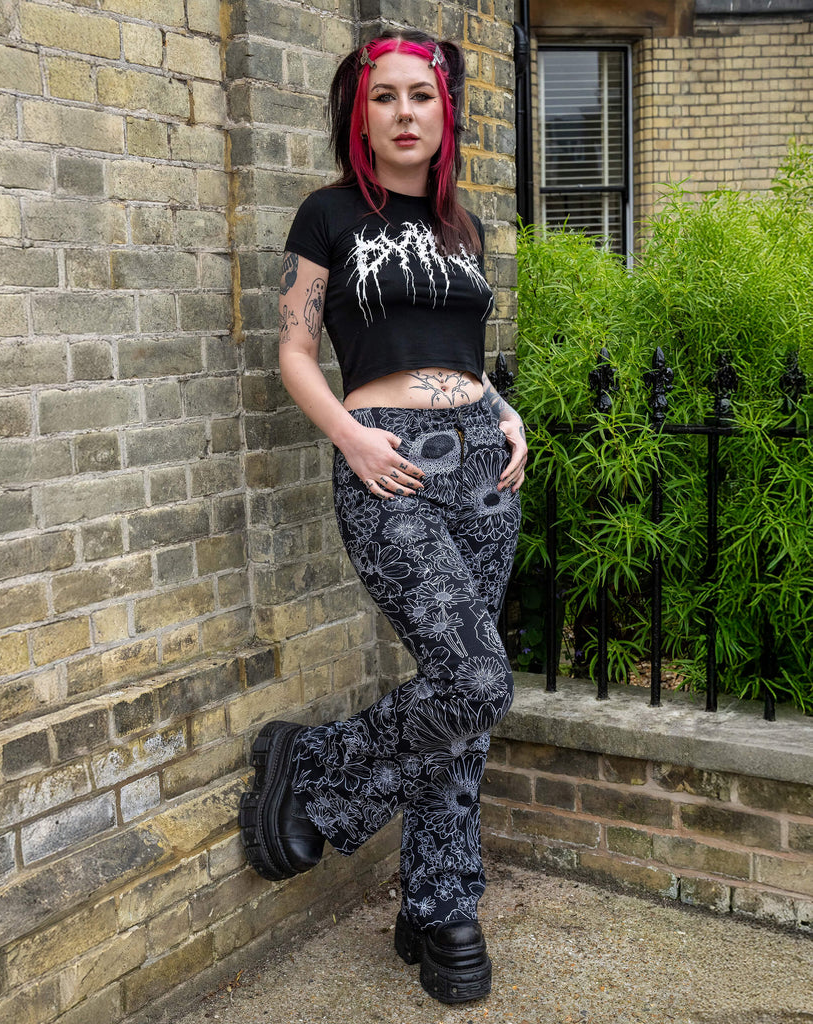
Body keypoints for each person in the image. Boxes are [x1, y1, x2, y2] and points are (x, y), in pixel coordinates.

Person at [239, 28, 527, 1005]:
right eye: (386, 98)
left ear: (445, 117)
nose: (407, 113)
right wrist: (352, 439)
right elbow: (293, 352)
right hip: (388, 462)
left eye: (423, 97)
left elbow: (462, 349)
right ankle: (314, 774)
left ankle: (440, 911)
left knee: (463, 707)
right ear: (358, 114)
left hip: (485, 465)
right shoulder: (328, 217)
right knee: (479, 678)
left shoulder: (462, 227)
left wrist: (507, 409)